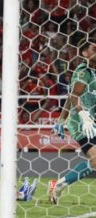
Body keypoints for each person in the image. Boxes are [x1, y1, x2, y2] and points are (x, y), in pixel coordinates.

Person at [51, 37, 96, 204]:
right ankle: (60, 185)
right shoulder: (83, 71)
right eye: (94, 49)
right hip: (82, 123)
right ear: (85, 53)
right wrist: (81, 116)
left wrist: (61, 118)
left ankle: (60, 184)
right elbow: (74, 96)